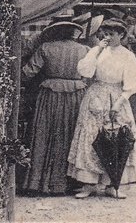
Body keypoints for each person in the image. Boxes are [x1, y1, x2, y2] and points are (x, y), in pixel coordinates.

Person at [69, 19, 136, 198]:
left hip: (117, 95)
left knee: (116, 138)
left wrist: (119, 103)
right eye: (106, 34)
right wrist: (97, 50)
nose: (108, 37)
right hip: (95, 95)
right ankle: (88, 184)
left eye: (112, 34)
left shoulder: (127, 55)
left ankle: (112, 183)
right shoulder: (97, 51)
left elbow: (133, 83)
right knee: (90, 137)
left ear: (121, 35)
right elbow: (85, 71)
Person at [20, 18, 89, 195]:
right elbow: (90, 75)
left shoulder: (46, 48)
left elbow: (28, 73)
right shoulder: (84, 50)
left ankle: (39, 182)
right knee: (71, 133)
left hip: (50, 95)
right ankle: (70, 182)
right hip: (76, 95)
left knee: (45, 133)